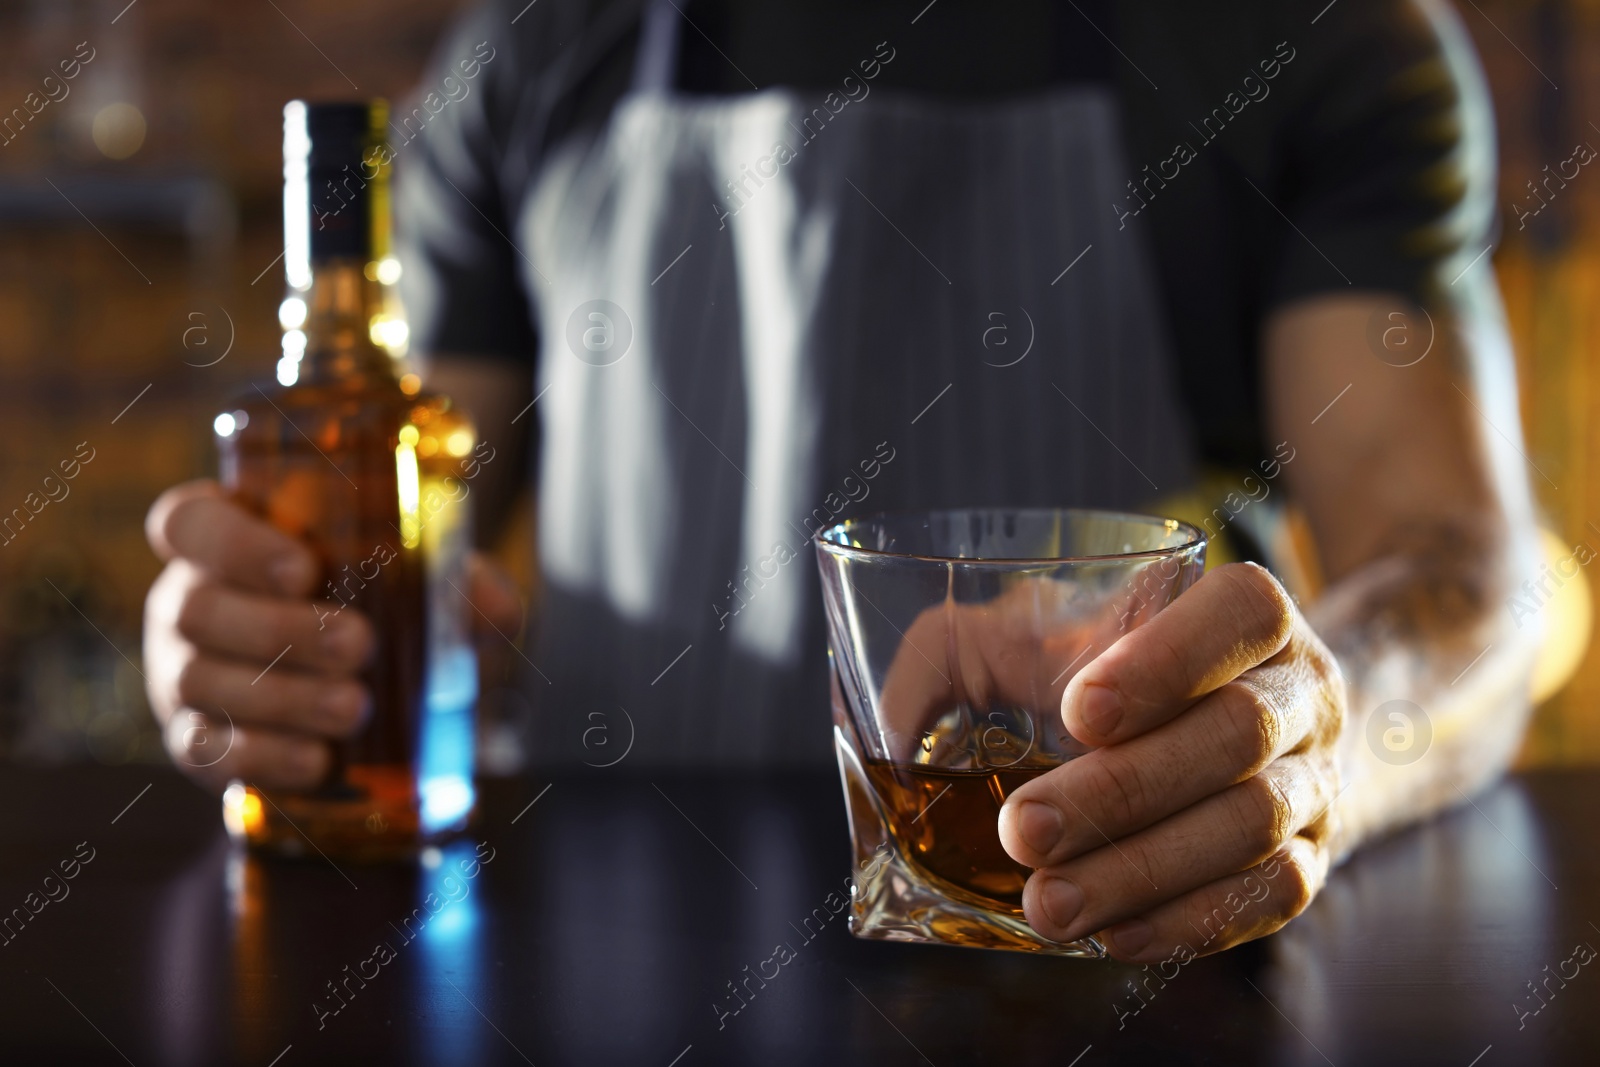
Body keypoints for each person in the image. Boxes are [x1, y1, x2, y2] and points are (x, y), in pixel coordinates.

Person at [142, 0, 1544, 963]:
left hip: (1097, 960)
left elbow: (1471, 578)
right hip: (605, 978)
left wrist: (1319, 740)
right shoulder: (537, 47)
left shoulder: (1309, 35)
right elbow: (410, 538)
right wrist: (279, 638)